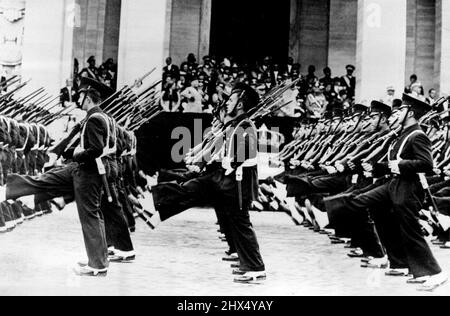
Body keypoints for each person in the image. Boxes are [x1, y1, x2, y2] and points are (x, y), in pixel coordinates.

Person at [140, 83, 266, 283]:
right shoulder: (236, 124)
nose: (227, 104)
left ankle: (255, 267)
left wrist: (225, 162)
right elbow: (217, 146)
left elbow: (241, 155)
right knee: (194, 189)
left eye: (231, 100)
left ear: (240, 104)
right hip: (229, 177)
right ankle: (157, 204)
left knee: (240, 222)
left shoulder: (245, 125)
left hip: (237, 181)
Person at [345, 94, 447, 291]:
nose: (394, 114)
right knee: (360, 204)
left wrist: (397, 165)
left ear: (410, 113)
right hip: (394, 185)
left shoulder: (417, 135)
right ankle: (398, 262)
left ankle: (435, 273)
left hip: (408, 188)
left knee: (411, 231)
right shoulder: (402, 135)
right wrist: (378, 168)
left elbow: (426, 164)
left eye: (399, 111)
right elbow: (392, 164)